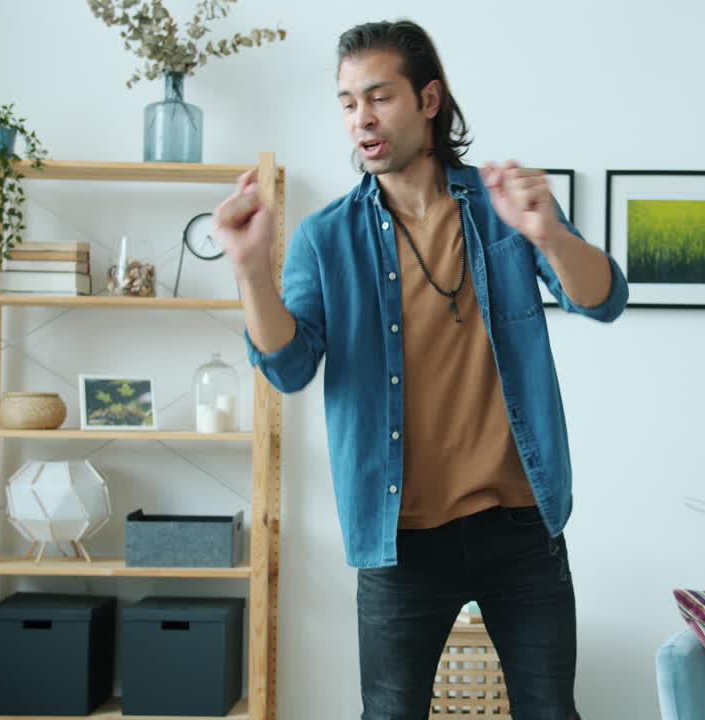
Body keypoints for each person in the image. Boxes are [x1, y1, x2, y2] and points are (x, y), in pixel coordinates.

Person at [214, 18, 627, 720]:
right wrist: (251, 269)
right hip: (397, 534)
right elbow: (288, 368)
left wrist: (548, 232)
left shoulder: (501, 212)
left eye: (379, 97)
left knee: (551, 712)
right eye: (347, 103)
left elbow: (603, 298)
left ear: (429, 100)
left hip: (520, 524)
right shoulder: (325, 237)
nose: (361, 120)